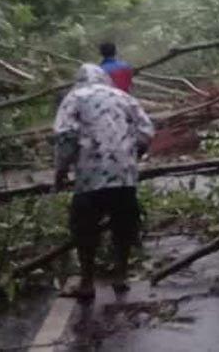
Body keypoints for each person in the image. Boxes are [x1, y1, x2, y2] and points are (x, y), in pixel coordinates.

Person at [54, 64, 155, 301]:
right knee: (124, 226)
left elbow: (65, 135)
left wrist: (61, 169)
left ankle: (87, 282)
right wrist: (132, 156)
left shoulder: (74, 97)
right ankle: (120, 276)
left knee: (85, 229)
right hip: (124, 176)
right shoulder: (124, 97)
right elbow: (146, 130)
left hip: (90, 177)